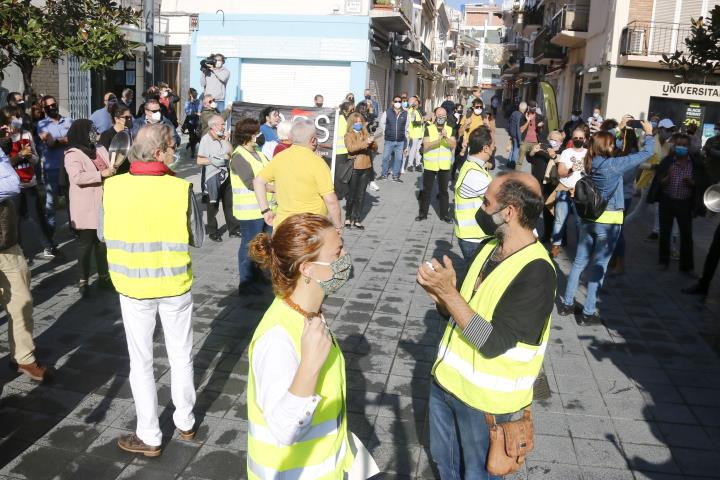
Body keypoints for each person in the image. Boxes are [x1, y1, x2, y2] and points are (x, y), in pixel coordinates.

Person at [417, 172, 556, 480]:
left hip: (485, 406)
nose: (480, 208)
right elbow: (462, 314)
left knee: (478, 474)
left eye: (486, 202)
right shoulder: (489, 248)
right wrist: (441, 296)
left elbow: (492, 342)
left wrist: (449, 294)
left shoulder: (538, 273)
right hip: (446, 385)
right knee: (445, 466)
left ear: (509, 212)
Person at [102, 123, 204, 457]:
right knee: (180, 354)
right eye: (173, 145)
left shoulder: (113, 187)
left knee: (141, 361)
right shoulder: (179, 188)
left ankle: (150, 435)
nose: (176, 149)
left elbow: (104, 234)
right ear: (159, 153)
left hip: (133, 287)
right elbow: (197, 238)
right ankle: (186, 422)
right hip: (174, 286)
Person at [245, 213, 355, 478]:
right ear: (308, 268)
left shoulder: (310, 314)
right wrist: (309, 365)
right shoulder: (277, 339)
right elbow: (284, 428)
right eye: (338, 251)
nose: (346, 257)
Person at [558, 121, 655, 325]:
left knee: (578, 262)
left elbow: (596, 140)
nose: (614, 147)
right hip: (608, 223)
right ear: (605, 146)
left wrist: (617, 128)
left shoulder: (588, 160)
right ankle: (588, 312)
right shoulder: (614, 165)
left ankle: (567, 304)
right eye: (612, 144)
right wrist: (649, 133)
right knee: (598, 266)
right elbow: (646, 153)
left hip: (588, 219)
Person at [0, 147, 49, 381]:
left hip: (6, 242)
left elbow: (11, 184)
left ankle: (23, 357)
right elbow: (8, 184)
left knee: (22, 301)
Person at [253, 119, 342, 231]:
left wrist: (265, 211)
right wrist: (338, 226)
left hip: (283, 227)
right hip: (310, 228)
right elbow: (331, 200)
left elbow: (258, 181)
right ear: (313, 140)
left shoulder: (280, 158)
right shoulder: (318, 163)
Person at [64, 119, 116, 298]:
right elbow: (77, 177)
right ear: (82, 133)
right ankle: (83, 281)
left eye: (95, 129)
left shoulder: (100, 149)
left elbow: (110, 167)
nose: (95, 133)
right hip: (85, 207)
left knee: (102, 245)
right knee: (85, 246)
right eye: (91, 130)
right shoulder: (73, 154)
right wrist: (101, 174)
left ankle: (104, 277)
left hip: (103, 203)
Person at [1, 107, 55, 260]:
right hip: (13, 187)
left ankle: (48, 246)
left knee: (37, 216)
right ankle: (20, 252)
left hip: (29, 184)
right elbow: (4, 164)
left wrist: (30, 155)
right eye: (12, 117)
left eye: (18, 116)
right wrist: (19, 155)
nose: (17, 120)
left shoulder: (26, 134)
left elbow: (36, 159)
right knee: (14, 220)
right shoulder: (3, 139)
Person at [648, 133, 707, 273]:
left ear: (689, 147)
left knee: (686, 235)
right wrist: (665, 179)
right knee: (665, 232)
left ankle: (687, 266)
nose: (681, 147)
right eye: (678, 144)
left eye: (684, 145)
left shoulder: (695, 164)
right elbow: (658, 182)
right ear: (674, 146)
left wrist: (692, 183)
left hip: (684, 203)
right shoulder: (667, 161)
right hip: (667, 201)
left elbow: (702, 182)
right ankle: (663, 260)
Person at [229, 118, 273, 296]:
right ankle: (246, 282)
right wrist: (274, 188)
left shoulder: (259, 153)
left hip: (265, 208)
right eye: (256, 133)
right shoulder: (239, 156)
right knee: (249, 245)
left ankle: (258, 274)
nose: (259, 136)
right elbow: (250, 183)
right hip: (250, 211)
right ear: (247, 136)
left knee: (262, 245)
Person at [625, 118, 675, 238]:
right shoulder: (650, 142)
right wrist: (653, 166)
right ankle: (621, 225)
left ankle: (656, 231)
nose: (670, 132)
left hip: (660, 182)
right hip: (648, 182)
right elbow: (639, 162)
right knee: (640, 210)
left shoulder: (668, 146)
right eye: (667, 130)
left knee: (659, 208)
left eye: (671, 130)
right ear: (660, 130)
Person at [197, 114, 239, 242]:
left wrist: (226, 140)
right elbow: (199, 160)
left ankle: (234, 229)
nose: (223, 126)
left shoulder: (223, 138)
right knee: (212, 205)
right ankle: (213, 231)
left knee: (229, 203)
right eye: (221, 124)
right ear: (213, 126)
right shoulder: (206, 139)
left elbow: (232, 154)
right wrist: (217, 160)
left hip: (226, 175)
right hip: (212, 177)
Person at [454, 126, 493, 260]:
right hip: (474, 237)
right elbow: (498, 199)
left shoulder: (473, 166)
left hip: (474, 235)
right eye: (493, 145)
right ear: (486, 148)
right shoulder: (474, 173)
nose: (494, 148)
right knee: (478, 279)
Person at [36, 95, 72, 234]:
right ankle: (50, 233)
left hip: (69, 167)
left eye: (53, 105)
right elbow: (50, 144)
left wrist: (58, 140)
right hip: (52, 168)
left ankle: (73, 228)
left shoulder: (69, 121)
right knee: (51, 202)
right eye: (48, 107)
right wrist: (65, 139)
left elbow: (74, 138)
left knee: (71, 199)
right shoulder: (42, 124)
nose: (52, 108)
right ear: (44, 109)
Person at [549, 126, 586, 258]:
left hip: (581, 192)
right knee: (560, 219)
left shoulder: (589, 153)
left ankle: (581, 249)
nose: (578, 139)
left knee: (579, 222)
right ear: (572, 139)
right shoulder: (566, 153)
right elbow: (561, 173)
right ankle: (556, 246)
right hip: (565, 189)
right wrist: (571, 169)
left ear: (585, 139)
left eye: (580, 138)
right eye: (575, 138)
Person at [416, 107, 455, 223]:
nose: (441, 117)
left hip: (444, 165)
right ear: (435, 116)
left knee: (443, 191)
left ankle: (444, 214)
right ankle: (423, 214)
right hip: (430, 164)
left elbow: (453, 145)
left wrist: (446, 137)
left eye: (443, 115)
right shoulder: (429, 128)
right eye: (439, 115)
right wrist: (439, 140)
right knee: (427, 190)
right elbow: (426, 145)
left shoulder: (450, 129)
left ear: (446, 117)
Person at [527, 130, 563, 244]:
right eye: (551, 139)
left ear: (560, 142)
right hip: (538, 184)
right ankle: (529, 232)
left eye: (556, 140)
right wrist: (532, 152)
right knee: (534, 209)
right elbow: (530, 158)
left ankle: (550, 235)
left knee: (550, 212)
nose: (553, 141)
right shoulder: (541, 149)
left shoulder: (563, 153)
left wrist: (555, 156)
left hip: (552, 186)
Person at [343, 112, 376, 229]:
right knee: (351, 195)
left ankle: (357, 219)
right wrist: (365, 143)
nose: (359, 123)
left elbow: (375, 148)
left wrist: (372, 142)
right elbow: (351, 149)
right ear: (352, 123)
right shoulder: (348, 135)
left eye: (360, 121)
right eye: (356, 122)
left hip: (366, 167)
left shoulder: (365, 133)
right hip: (354, 167)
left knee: (361, 195)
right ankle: (348, 218)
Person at [378, 95, 408, 182]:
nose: (397, 103)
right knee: (385, 158)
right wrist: (386, 131)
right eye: (396, 101)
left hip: (400, 141)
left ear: (401, 102)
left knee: (398, 159)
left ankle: (395, 176)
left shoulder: (405, 113)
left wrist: (406, 143)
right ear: (392, 102)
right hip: (389, 140)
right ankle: (384, 175)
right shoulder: (387, 112)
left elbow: (406, 127)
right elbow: (381, 123)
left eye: (399, 101)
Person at [99, 104, 133, 175]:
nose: (129, 120)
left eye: (130, 117)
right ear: (116, 119)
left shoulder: (130, 134)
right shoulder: (106, 135)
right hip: (114, 176)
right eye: (126, 117)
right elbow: (103, 157)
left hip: (129, 174)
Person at [334, 101, 354, 200]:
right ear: (345, 110)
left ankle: (343, 191)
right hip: (339, 151)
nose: (352, 111)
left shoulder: (347, 118)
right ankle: (339, 192)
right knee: (339, 173)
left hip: (346, 150)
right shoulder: (339, 118)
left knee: (344, 172)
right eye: (351, 109)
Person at [405, 96, 424, 172]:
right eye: (414, 101)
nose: (416, 102)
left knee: (418, 150)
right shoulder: (411, 111)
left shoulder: (418, 110)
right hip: (414, 133)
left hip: (420, 133)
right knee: (413, 150)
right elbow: (413, 121)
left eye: (417, 101)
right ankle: (410, 165)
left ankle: (418, 164)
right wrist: (421, 122)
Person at [506, 101, 527, 169]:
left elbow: (509, 123)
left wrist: (509, 133)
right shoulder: (521, 116)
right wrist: (520, 139)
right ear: (525, 109)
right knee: (516, 149)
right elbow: (518, 128)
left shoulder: (514, 113)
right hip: (516, 135)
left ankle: (509, 162)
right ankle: (512, 163)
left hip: (512, 133)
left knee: (513, 148)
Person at [182, 88, 202, 157]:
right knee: (192, 136)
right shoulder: (187, 103)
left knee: (198, 137)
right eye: (194, 93)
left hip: (197, 122)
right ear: (190, 95)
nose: (196, 95)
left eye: (196, 93)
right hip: (190, 122)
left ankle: (190, 144)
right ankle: (192, 151)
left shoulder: (199, 101)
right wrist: (196, 113)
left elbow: (200, 110)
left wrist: (196, 113)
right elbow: (188, 112)